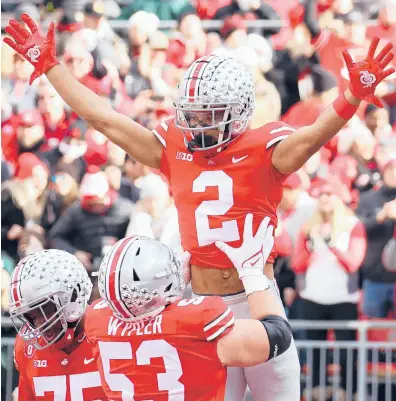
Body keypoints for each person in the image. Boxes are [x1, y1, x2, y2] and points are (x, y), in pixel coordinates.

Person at [3, 14, 394, 401]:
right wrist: (52, 68)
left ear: (239, 112)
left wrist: (350, 97)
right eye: (191, 111)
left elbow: (310, 138)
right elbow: (104, 119)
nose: (194, 122)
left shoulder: (265, 149)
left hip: (257, 296)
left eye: (207, 114)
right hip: (200, 303)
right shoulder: (173, 148)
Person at [85, 214, 292, 400]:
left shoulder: (97, 320)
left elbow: (144, 323)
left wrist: (169, 291)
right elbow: (277, 335)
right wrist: (252, 273)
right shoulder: (195, 320)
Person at [8, 249, 107, 401]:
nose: (39, 324)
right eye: (30, 315)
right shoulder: (26, 346)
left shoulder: (108, 331)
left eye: (45, 308)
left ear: (74, 295)